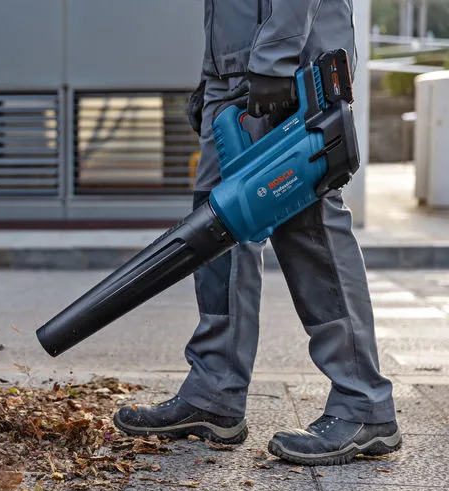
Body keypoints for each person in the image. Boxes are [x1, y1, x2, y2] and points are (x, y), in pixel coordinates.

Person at [113, 0, 402, 466]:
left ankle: (362, 403)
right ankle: (214, 393)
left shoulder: (279, 62)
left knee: (309, 229)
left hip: (289, 70)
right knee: (215, 232)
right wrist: (213, 79)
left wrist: (274, 60)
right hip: (236, 80)